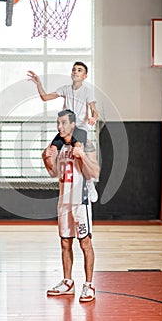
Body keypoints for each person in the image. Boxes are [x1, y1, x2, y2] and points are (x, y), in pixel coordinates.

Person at [42, 109, 100, 303]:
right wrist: (46, 159)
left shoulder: (84, 145)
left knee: (85, 243)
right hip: (63, 202)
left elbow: (94, 173)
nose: (59, 127)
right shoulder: (60, 147)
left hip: (80, 202)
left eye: (63, 123)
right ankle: (68, 282)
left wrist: (82, 156)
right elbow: (54, 173)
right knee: (65, 242)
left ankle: (89, 285)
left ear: (73, 124)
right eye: (58, 123)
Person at [27, 61, 99, 202]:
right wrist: (38, 84)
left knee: (78, 152)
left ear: (85, 76)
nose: (75, 72)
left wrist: (93, 118)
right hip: (66, 129)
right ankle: (57, 175)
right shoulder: (65, 89)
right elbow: (45, 97)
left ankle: (89, 183)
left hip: (79, 129)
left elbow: (94, 110)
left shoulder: (87, 92)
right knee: (51, 150)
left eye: (79, 70)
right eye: (73, 69)